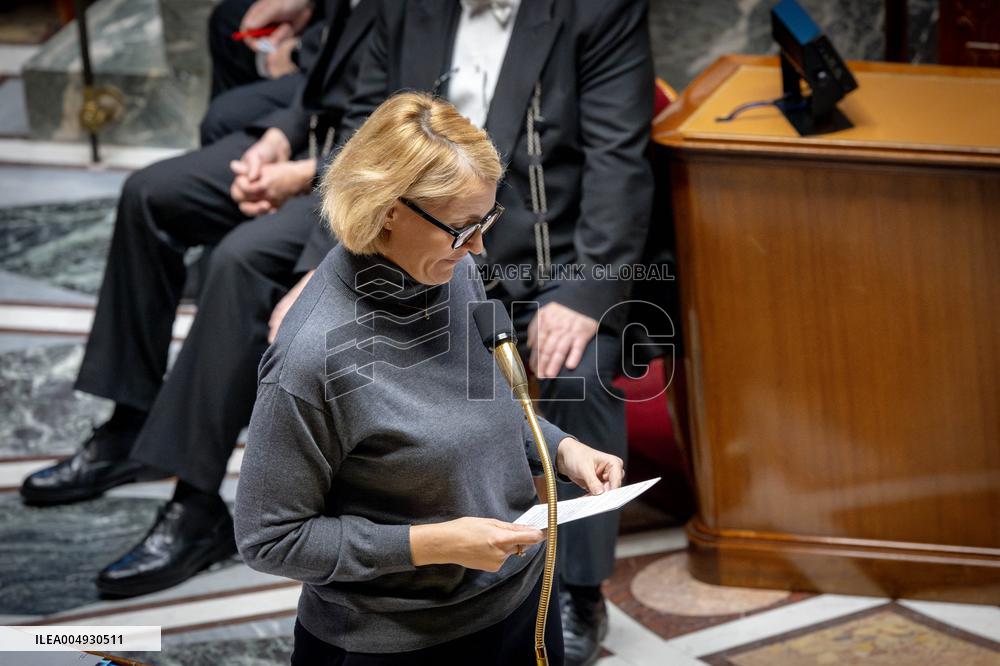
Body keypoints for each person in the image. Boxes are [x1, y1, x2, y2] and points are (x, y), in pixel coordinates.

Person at [269, 2, 655, 662]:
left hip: (547, 258)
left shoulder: (597, 10)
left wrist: (584, 295)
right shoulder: (316, 353)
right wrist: (318, 270)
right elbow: (366, 141)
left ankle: (578, 588)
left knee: (574, 367)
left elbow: (618, 157)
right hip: (426, 249)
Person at [18, 0, 376, 598]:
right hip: (317, 139)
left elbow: (402, 120)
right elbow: (320, 83)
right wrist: (272, 144)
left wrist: (306, 176)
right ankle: (130, 427)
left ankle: (194, 498)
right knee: (148, 193)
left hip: (359, 175)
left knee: (240, 258)